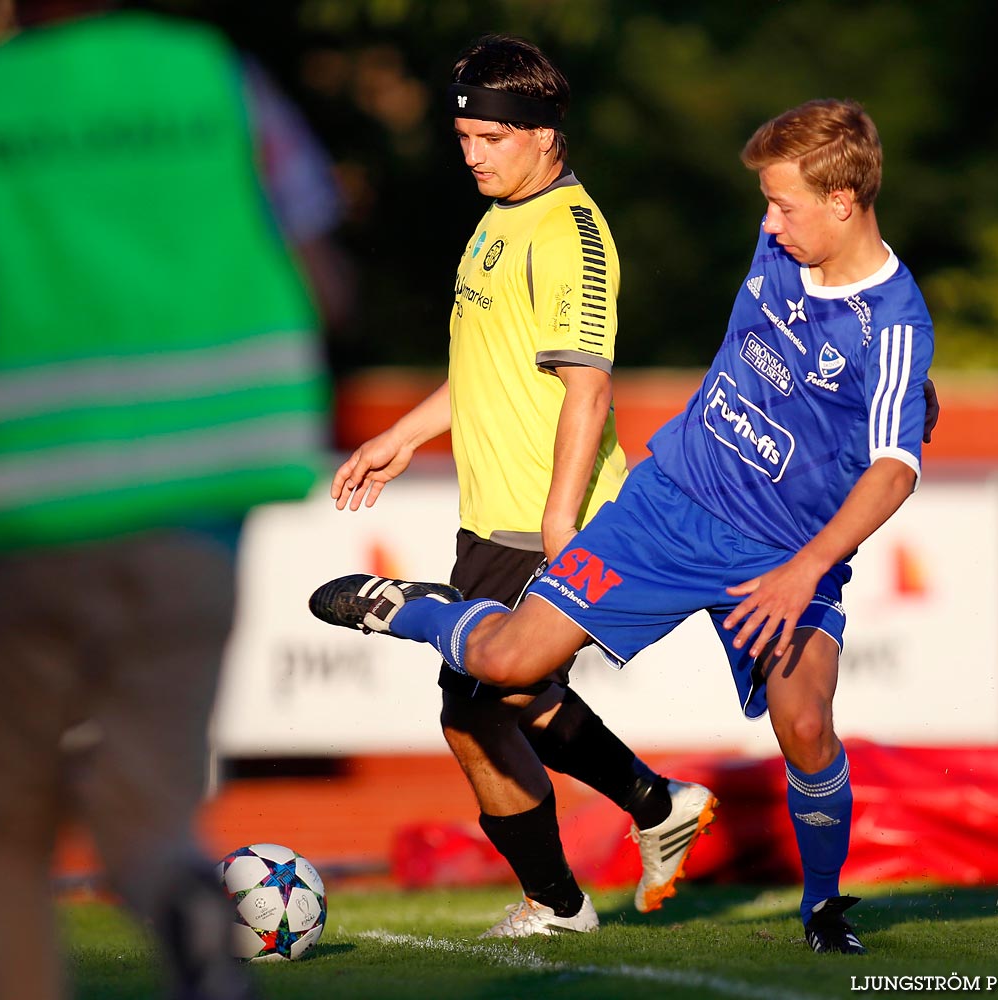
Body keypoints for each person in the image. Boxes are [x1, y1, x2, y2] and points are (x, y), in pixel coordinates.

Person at [312, 97, 939, 955]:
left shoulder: (895, 323)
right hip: (668, 505)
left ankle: (824, 909)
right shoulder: (782, 243)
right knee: (505, 665)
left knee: (804, 726)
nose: (767, 222)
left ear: (843, 202)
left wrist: (808, 566)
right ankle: (416, 607)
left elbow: (894, 467)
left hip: (784, 553)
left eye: (783, 204)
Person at [0, 1, 349, 997]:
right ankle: (177, 901)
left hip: (21, 513)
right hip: (194, 512)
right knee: (149, 818)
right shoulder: (215, 77)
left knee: (15, 827)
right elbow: (323, 276)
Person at [316, 34, 716, 938]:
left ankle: (579, 880)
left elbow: (588, 385)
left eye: (489, 139)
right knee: (488, 710)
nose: (472, 155)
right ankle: (641, 817)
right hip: (488, 514)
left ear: (541, 134)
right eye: (463, 140)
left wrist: (558, 520)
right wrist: (401, 436)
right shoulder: (499, 213)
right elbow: (486, 366)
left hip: (545, 518)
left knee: (495, 697)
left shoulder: (571, 236)